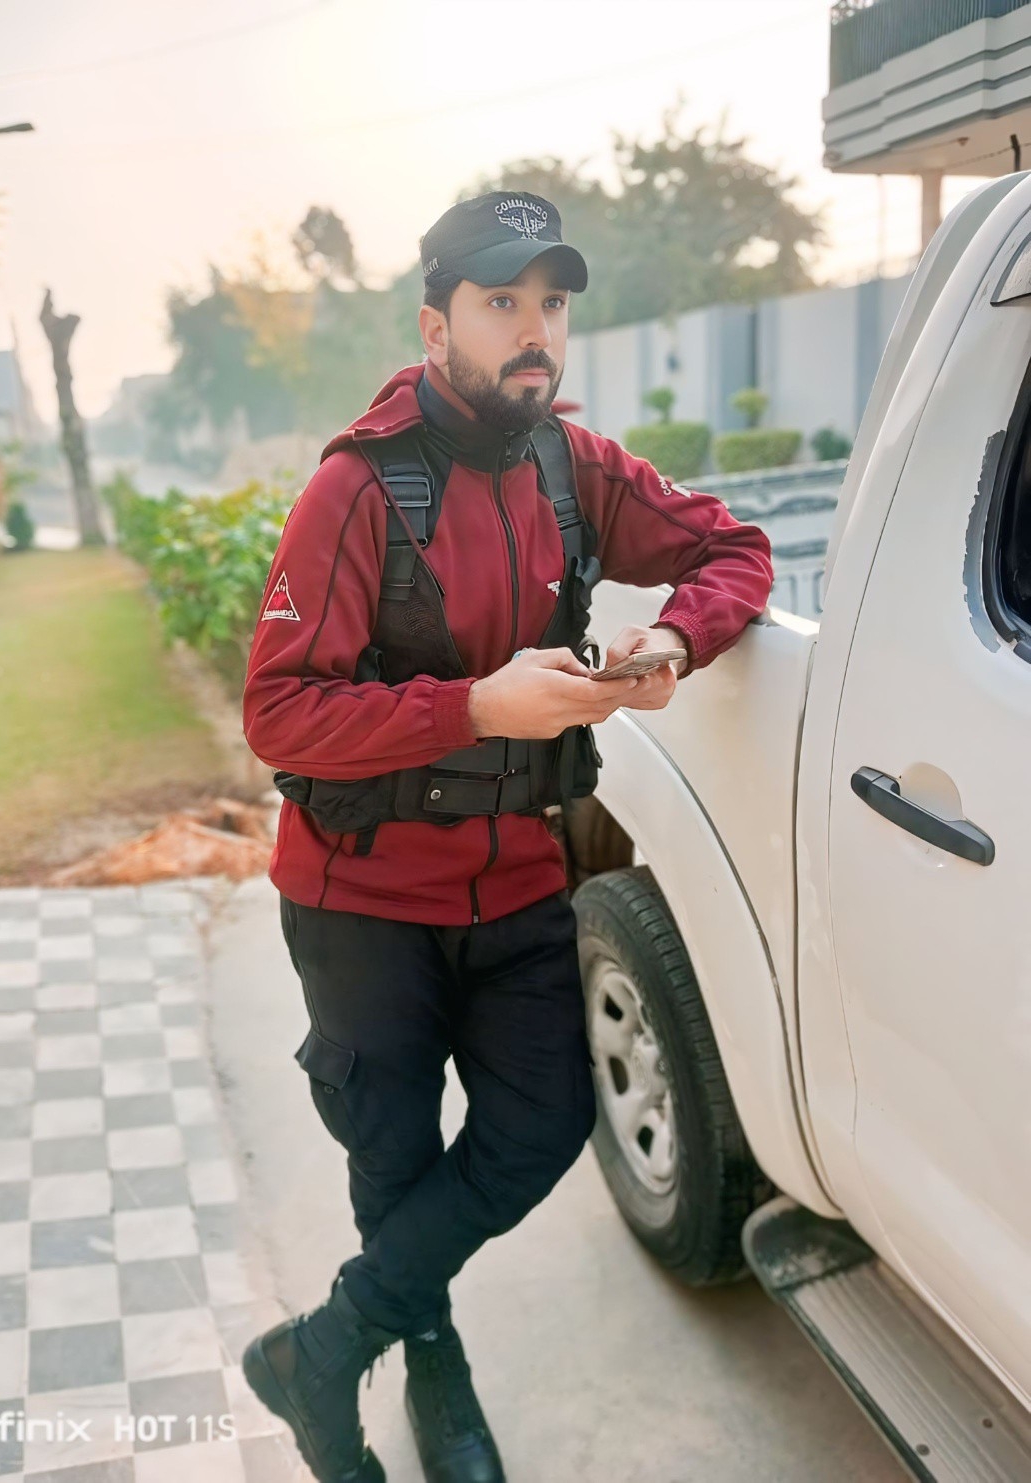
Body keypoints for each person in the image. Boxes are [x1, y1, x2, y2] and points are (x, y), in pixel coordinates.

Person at [239, 190, 774, 1483]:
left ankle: (327, 1346)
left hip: (520, 878)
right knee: (393, 1157)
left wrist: (671, 637)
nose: (536, 331)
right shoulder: (357, 488)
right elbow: (277, 711)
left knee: (540, 1127)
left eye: (552, 303)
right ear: (436, 327)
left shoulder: (573, 466)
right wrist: (474, 705)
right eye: (501, 302)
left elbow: (735, 549)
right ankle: (435, 1372)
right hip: (362, 899)